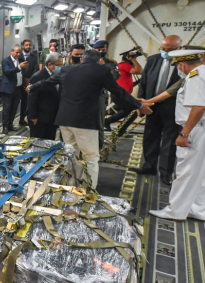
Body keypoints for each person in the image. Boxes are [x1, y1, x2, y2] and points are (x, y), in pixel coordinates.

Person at [150, 50, 205, 221]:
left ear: (182, 65)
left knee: (186, 172)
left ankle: (175, 211)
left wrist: (184, 133)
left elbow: (199, 107)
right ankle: (198, 210)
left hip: (200, 129)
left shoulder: (195, 78)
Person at [55, 50, 151, 185]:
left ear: (82, 59)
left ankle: (72, 184)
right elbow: (119, 91)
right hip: (85, 122)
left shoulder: (67, 70)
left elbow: (48, 82)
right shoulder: (101, 71)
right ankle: (88, 189)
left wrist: (32, 87)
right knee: (91, 157)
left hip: (65, 119)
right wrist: (139, 105)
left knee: (72, 154)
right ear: (99, 60)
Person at [142, 45, 205, 126]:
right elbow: (172, 90)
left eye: (194, 59)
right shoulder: (193, 72)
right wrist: (147, 102)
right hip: (196, 121)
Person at [135, 35, 183, 185]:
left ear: (179, 48)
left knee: (169, 141)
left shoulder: (183, 64)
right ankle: (149, 166)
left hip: (173, 108)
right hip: (151, 106)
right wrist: (140, 104)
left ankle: (166, 173)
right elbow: (143, 82)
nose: (166, 52)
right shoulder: (153, 60)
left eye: (170, 50)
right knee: (150, 137)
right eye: (163, 49)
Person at [105, 48, 143, 135]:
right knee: (133, 113)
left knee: (127, 111)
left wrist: (136, 82)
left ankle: (108, 121)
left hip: (121, 94)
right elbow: (139, 71)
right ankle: (120, 131)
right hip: (120, 94)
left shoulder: (122, 66)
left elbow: (124, 82)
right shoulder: (124, 65)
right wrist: (133, 59)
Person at [28, 52, 63, 139]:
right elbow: (32, 98)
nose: (60, 67)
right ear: (50, 64)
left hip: (52, 116)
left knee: (50, 141)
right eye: (58, 65)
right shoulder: (38, 76)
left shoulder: (58, 76)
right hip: (40, 118)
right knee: (38, 141)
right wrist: (33, 116)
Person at [0, 45, 26, 133]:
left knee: (14, 108)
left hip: (18, 88)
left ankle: (10, 124)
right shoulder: (6, 61)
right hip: (8, 89)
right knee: (7, 108)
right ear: (12, 51)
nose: (18, 54)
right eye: (16, 52)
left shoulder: (21, 60)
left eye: (19, 53)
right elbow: (8, 71)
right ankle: (5, 126)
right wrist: (19, 67)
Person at [18, 39, 39, 128]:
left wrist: (30, 79)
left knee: (26, 102)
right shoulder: (19, 56)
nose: (28, 47)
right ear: (22, 46)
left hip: (29, 82)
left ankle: (23, 118)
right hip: (19, 82)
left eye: (29, 45)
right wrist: (23, 79)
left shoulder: (34, 57)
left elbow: (36, 68)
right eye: (26, 45)